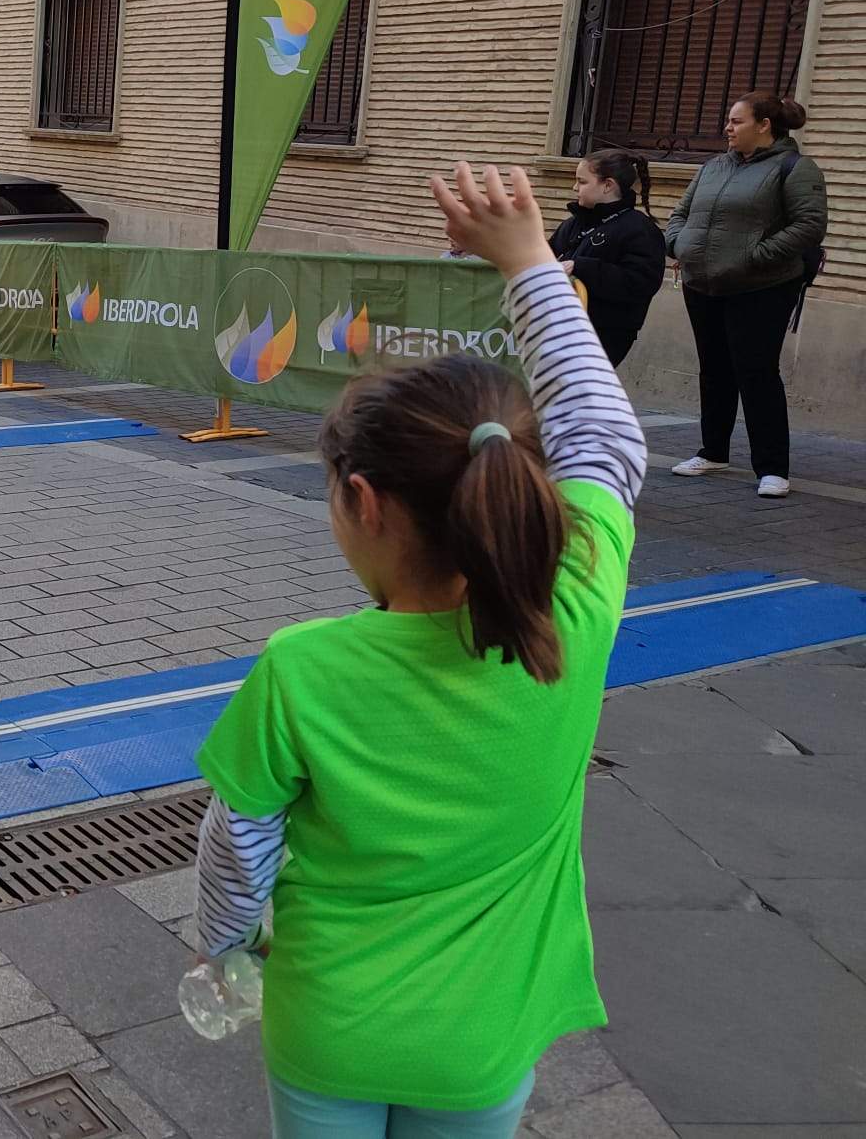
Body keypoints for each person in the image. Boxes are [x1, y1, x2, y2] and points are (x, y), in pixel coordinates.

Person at [190, 161, 646, 1139]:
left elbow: (237, 850)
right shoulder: (570, 616)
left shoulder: (301, 669)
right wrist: (529, 264)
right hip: (483, 1039)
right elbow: (602, 438)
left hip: (329, 1029)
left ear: (362, 502)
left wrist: (224, 947)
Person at [663, 93, 828, 498]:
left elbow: (809, 225)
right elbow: (681, 213)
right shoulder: (714, 166)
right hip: (703, 284)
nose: (728, 128)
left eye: (737, 121)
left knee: (756, 372)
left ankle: (772, 468)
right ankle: (713, 451)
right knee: (713, 369)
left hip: (761, 286)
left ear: (764, 125)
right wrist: (678, 243)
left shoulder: (795, 168)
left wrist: (756, 256)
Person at [546, 149, 665, 366]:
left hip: (606, 333)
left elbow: (640, 282)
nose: (574, 188)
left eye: (582, 181)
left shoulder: (640, 229)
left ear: (608, 185)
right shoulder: (573, 224)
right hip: (558, 325)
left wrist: (581, 267)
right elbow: (546, 255)